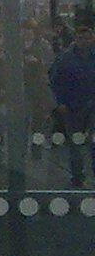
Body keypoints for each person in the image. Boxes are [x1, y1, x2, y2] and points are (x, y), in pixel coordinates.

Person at [48, 24, 95, 187]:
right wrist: (60, 102)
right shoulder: (65, 58)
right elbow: (55, 81)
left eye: (88, 38)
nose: (85, 42)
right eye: (81, 38)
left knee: (93, 141)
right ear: (75, 39)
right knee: (75, 142)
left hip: (92, 104)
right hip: (72, 106)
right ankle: (78, 175)